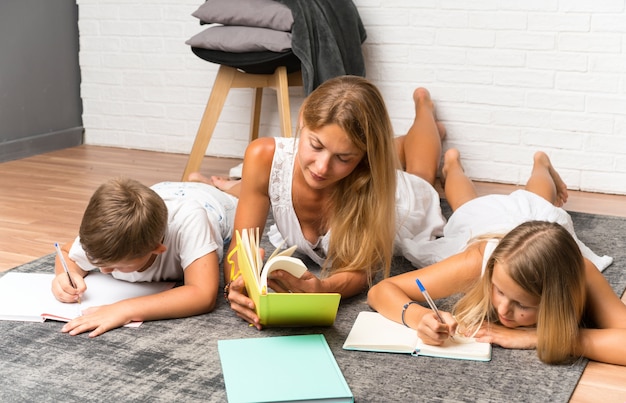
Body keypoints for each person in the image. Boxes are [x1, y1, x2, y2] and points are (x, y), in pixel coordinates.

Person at [190, 76, 447, 329]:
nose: (322, 168)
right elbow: (240, 245)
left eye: (344, 158)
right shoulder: (263, 156)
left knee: (422, 174)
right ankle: (397, 144)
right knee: (256, 183)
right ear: (302, 118)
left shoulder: (373, 182)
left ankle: (423, 107)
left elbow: (358, 273)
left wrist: (323, 288)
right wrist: (237, 285)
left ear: (364, 158)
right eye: (315, 145)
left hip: (403, 200)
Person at [368, 149, 626, 365]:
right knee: (465, 206)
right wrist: (418, 317)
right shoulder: (478, 260)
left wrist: (542, 337)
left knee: (538, 199)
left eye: (523, 305)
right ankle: (452, 164)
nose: (503, 310)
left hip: (544, 220)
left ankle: (541, 163)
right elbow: (381, 290)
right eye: (499, 291)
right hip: (485, 222)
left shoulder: (582, 272)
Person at [52, 178, 237, 337]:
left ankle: (227, 184)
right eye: (96, 261)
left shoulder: (190, 221)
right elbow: (67, 253)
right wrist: (64, 275)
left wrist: (124, 309)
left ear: (157, 249)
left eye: (117, 266)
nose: (103, 270)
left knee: (242, 194)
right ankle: (201, 180)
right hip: (162, 191)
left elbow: (203, 295)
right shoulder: (112, 232)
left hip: (213, 202)